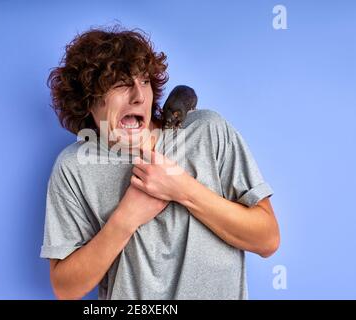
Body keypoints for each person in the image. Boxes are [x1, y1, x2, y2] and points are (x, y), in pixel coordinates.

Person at [40, 25, 280, 300]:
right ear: (88, 102)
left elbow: (267, 240)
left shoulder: (208, 131)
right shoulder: (74, 167)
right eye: (119, 84)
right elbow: (65, 288)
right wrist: (126, 218)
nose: (138, 96)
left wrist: (183, 190)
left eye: (144, 81)